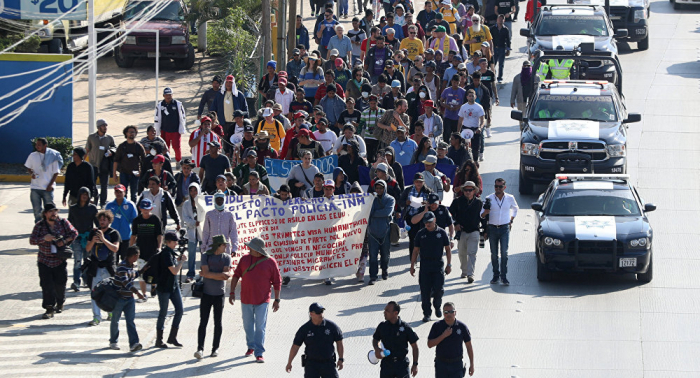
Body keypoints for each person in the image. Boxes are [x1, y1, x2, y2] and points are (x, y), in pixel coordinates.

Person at [230, 237, 282, 362]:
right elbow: (236, 275)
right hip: (246, 299)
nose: (248, 248)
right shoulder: (244, 259)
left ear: (258, 250)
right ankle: (251, 346)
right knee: (247, 325)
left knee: (260, 327)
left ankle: (259, 352)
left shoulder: (270, 262)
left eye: (251, 247)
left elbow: (277, 281)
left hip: (263, 300)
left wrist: (277, 299)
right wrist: (231, 292)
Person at [30, 203, 78, 319]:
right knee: (46, 286)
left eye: (55, 211)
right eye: (51, 211)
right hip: (44, 260)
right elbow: (32, 240)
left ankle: (60, 302)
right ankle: (49, 308)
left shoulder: (63, 222)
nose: (53, 214)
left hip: (59, 260)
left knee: (60, 285)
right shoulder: (40, 226)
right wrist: (43, 239)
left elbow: (74, 233)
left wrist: (65, 241)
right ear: (45, 214)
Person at [194, 235, 233, 359]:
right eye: (223, 245)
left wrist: (209, 274)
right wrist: (219, 274)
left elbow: (226, 276)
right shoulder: (205, 255)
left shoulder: (227, 257)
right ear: (217, 246)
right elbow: (208, 273)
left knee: (218, 322)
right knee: (203, 322)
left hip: (219, 294)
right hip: (206, 293)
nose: (226, 247)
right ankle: (200, 349)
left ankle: (215, 348)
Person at [410, 211, 452, 322]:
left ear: (434, 220)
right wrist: (412, 265)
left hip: (438, 266)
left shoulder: (442, 233)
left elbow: (448, 249)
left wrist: (449, 264)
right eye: (425, 223)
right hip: (425, 266)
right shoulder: (420, 233)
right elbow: (415, 250)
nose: (427, 224)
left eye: (429, 222)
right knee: (425, 292)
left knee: (439, 290)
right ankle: (426, 314)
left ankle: (437, 306)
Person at [286, 302, 344, 375]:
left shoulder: (331, 326)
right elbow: (295, 347)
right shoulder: (305, 329)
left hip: (328, 363)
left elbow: (339, 342)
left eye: (322, 311)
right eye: (318, 312)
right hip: (311, 364)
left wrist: (341, 359)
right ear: (311, 314)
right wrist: (289, 362)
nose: (321, 314)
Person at [85, 210, 120, 326]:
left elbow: (115, 248)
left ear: (109, 221)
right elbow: (87, 249)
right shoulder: (93, 233)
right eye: (100, 220)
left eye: (104, 220)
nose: (102, 222)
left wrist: (104, 240)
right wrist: (93, 241)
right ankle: (96, 317)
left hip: (109, 266)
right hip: (95, 267)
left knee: (111, 292)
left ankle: (111, 313)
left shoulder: (114, 233)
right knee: (94, 292)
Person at [480, 178, 518, 285]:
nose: (498, 188)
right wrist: (485, 212)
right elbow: (481, 214)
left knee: (504, 253)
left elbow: (515, 208)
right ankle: (495, 275)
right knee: (494, 254)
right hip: (492, 228)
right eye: (496, 186)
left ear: (504, 187)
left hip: (504, 228)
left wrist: (511, 219)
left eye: (500, 186)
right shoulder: (489, 198)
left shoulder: (510, 198)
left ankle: (504, 276)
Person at [154, 231, 187, 348]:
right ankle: (159, 340)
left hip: (173, 286)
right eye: (174, 241)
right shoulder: (166, 254)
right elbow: (174, 271)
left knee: (180, 310)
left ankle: (172, 337)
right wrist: (181, 262)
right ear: (168, 242)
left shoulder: (171, 253)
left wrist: (178, 260)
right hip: (164, 288)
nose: (177, 243)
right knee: (163, 313)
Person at [110, 245, 146, 351]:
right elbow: (125, 282)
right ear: (134, 256)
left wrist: (144, 269)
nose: (138, 257)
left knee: (130, 321)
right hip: (119, 298)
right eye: (138, 255)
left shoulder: (130, 266)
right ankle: (113, 341)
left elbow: (133, 275)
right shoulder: (122, 266)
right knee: (115, 320)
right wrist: (137, 293)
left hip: (129, 299)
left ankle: (134, 343)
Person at [449, 181, 485, 282]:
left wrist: (485, 231)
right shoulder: (457, 201)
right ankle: (464, 271)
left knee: (472, 253)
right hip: (462, 231)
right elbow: (450, 214)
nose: (468, 192)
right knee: (461, 253)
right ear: (463, 191)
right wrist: (455, 224)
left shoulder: (479, 203)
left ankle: (470, 274)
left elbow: (483, 218)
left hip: (474, 231)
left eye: (470, 190)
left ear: (474, 191)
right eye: (466, 190)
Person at [427, 302, 475, 377]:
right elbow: (430, 344)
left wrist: (472, 364)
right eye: (446, 312)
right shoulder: (437, 326)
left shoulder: (462, 327)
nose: (449, 314)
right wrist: (443, 335)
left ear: (455, 312)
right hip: (441, 364)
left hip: (456, 364)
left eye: (451, 312)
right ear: (443, 313)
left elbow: (469, 346)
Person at [373, 301, 420, 377]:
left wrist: (415, 365)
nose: (384, 312)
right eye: (385, 310)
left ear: (395, 313)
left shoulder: (405, 328)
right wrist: (376, 348)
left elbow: (415, 347)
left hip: (401, 365)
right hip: (387, 365)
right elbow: (375, 339)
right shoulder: (382, 326)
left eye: (387, 311)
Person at [129, 198, 163, 300]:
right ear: (140, 209)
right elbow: (133, 236)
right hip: (140, 251)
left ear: (151, 208)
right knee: (141, 273)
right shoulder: (137, 221)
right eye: (144, 209)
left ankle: (153, 286)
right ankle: (144, 293)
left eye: (147, 209)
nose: (145, 211)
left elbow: (159, 235)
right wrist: (130, 249)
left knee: (154, 271)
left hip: (153, 250)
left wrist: (159, 247)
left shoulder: (155, 219)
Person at [67, 187, 98, 292]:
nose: (84, 196)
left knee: (87, 260)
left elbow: (97, 223)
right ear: (79, 195)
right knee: (77, 261)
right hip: (76, 238)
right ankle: (76, 282)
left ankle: (86, 279)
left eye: (87, 194)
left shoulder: (93, 208)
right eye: (82, 194)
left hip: (88, 238)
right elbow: (69, 223)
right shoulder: (73, 208)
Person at [25, 138, 63, 223]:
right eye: (36, 145)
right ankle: (39, 228)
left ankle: (50, 226)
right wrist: (32, 174)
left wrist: (50, 185)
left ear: (45, 146)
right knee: (37, 210)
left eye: (39, 145)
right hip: (35, 188)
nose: (37, 146)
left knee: (50, 211)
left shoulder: (53, 156)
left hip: (47, 189)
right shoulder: (32, 155)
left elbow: (56, 172)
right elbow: (28, 166)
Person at [367, 179, 396, 284]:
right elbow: (368, 212)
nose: (379, 190)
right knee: (373, 256)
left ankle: (384, 270)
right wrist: (375, 212)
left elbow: (387, 212)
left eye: (381, 188)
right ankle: (373, 276)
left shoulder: (390, 199)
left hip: (385, 231)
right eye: (377, 188)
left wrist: (374, 213)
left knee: (385, 255)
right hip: (372, 232)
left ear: (385, 188)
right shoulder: (371, 199)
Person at [85, 119, 116, 207]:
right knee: (92, 183)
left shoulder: (109, 138)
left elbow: (114, 147)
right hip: (93, 165)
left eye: (106, 126)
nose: (105, 127)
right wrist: (82, 162)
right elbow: (87, 149)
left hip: (104, 165)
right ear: (98, 127)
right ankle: (96, 196)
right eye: (103, 126)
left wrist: (111, 151)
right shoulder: (91, 137)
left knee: (104, 185)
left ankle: (103, 202)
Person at [113, 126, 146, 202]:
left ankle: (133, 211)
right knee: (123, 194)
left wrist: (141, 172)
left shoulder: (139, 146)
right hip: (124, 173)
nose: (132, 134)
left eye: (133, 132)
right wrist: (114, 174)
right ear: (126, 133)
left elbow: (144, 161)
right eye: (130, 132)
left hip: (135, 174)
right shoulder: (122, 146)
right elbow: (116, 160)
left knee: (134, 195)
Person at [106, 185, 138, 263]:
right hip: (113, 237)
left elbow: (135, 220)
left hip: (126, 236)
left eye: (120, 192)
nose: (118, 194)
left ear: (125, 192)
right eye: (117, 191)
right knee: (113, 260)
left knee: (126, 260)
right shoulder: (110, 205)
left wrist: (135, 235)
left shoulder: (130, 205)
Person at [154, 87, 186, 163]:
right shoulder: (160, 105)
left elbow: (182, 117)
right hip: (164, 130)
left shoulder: (178, 104)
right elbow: (157, 118)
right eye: (166, 95)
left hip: (175, 130)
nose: (168, 97)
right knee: (165, 147)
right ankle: (166, 161)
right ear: (163, 95)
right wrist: (157, 130)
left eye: (170, 95)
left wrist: (182, 128)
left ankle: (178, 161)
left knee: (176, 147)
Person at [201, 191, 238, 255]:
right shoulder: (209, 214)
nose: (219, 201)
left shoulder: (229, 215)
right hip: (211, 246)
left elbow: (233, 232)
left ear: (224, 200)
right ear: (214, 200)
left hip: (225, 248)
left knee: (226, 265)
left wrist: (234, 248)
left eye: (221, 199)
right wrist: (203, 247)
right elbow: (206, 232)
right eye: (217, 199)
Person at [181, 182, 202, 282]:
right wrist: (194, 222)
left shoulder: (203, 202)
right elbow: (185, 218)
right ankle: (190, 274)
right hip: (192, 231)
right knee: (192, 254)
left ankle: (203, 273)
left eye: (195, 190)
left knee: (204, 253)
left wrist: (200, 223)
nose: (193, 193)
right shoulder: (186, 204)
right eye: (191, 190)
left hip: (202, 231)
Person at [458, 89, 486, 160]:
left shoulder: (479, 107)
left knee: (475, 148)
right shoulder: (463, 107)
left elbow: (483, 120)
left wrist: (480, 128)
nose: (471, 97)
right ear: (467, 97)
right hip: (465, 129)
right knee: (465, 147)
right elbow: (460, 120)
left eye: (472, 96)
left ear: (475, 97)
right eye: (469, 96)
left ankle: (475, 161)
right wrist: (458, 131)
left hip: (475, 129)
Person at [440, 74, 466, 141]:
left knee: (457, 135)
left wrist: (458, 107)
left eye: (457, 83)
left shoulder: (463, 92)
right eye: (454, 82)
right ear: (451, 81)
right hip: (448, 116)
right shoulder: (446, 90)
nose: (455, 84)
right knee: (446, 133)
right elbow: (441, 101)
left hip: (458, 117)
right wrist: (447, 106)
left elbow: (465, 103)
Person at [511, 61, 532, 129]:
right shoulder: (517, 78)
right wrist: (512, 100)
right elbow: (514, 90)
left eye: (528, 66)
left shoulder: (535, 77)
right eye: (525, 66)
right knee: (521, 117)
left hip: (532, 100)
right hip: (521, 100)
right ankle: (522, 129)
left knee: (531, 116)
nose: (527, 68)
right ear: (522, 67)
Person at [491, 14, 511, 83]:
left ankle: (500, 77)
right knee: (493, 63)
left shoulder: (505, 29)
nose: (500, 20)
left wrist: (508, 49)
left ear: (504, 20)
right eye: (499, 19)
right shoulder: (493, 28)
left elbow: (508, 40)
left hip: (502, 48)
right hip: (494, 48)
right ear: (497, 20)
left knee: (501, 64)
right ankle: (493, 76)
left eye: (502, 19)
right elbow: (490, 39)